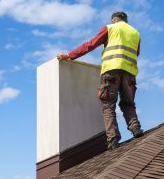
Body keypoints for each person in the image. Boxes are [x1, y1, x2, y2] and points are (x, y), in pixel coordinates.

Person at [57, 11, 143, 150]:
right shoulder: (135, 33)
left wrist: (69, 55)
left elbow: (90, 44)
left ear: (114, 19)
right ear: (126, 21)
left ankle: (113, 139)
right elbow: (136, 53)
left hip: (111, 71)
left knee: (108, 105)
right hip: (130, 73)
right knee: (128, 103)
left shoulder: (110, 28)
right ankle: (135, 128)